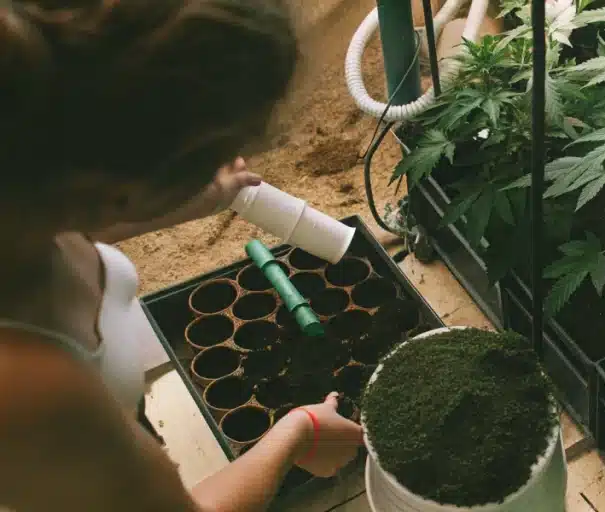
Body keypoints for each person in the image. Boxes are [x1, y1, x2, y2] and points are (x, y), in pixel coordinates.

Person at [0, 1, 365, 511]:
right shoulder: (32, 390)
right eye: (215, 157)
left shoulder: (24, 177)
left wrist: (196, 199)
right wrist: (299, 432)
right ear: (117, 190)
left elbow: (74, 220)